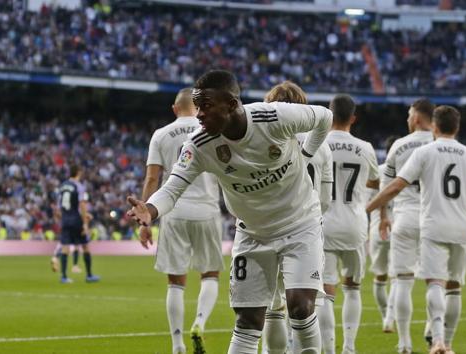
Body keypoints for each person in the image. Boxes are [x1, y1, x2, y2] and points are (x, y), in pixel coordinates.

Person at [126, 70, 332, 354]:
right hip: (252, 234)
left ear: (232, 104)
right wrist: (150, 209)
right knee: (248, 321)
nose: (199, 114)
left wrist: (306, 152)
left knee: (299, 306)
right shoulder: (199, 145)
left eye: (206, 106)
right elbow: (173, 187)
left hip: (300, 225)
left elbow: (324, 117)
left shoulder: (273, 117)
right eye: (197, 106)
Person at [367, 105, 466, 354]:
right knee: (454, 287)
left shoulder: (424, 153)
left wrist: (367, 209)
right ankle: (449, 343)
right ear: (457, 127)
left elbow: (394, 188)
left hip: (432, 224)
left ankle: (438, 342)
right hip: (462, 227)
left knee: (435, 283)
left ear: (434, 126)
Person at [140, 88, 224, 354]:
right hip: (207, 211)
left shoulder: (161, 134)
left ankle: (177, 344)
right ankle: (199, 322)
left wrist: (144, 221)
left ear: (175, 108)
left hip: (173, 211)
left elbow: (153, 179)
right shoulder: (212, 131)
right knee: (210, 274)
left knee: (176, 282)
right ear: (199, 108)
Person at [261, 81, 333, 354]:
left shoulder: (266, 140)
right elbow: (325, 200)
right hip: (306, 229)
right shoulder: (322, 146)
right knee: (307, 304)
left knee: (274, 305)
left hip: (268, 225)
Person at [318, 94, 380, 354]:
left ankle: (329, 349)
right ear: (353, 118)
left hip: (324, 224)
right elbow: (376, 182)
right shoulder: (365, 147)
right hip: (355, 224)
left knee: (326, 293)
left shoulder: (318, 144)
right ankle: (350, 348)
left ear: (329, 115)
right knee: (353, 288)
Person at [380, 99, 436, 353]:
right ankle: (433, 332)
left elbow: (386, 187)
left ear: (416, 118)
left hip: (404, 217)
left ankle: (404, 343)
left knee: (402, 281)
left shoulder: (399, 146)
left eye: (409, 114)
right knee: (435, 282)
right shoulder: (441, 144)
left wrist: (383, 216)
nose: (407, 118)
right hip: (434, 219)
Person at [368, 136, 400, 336]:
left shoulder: (375, 173)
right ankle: (390, 317)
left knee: (380, 278)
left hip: (376, 230)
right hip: (399, 228)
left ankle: (384, 317)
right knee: (399, 277)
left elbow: (366, 200)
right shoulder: (407, 173)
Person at [58, 165, 99, 283]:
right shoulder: (78, 186)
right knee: (85, 246)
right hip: (76, 220)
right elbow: (82, 205)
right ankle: (89, 275)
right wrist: (85, 222)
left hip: (65, 219)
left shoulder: (63, 186)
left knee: (65, 247)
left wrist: (64, 217)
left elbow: (60, 205)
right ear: (78, 172)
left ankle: (64, 276)